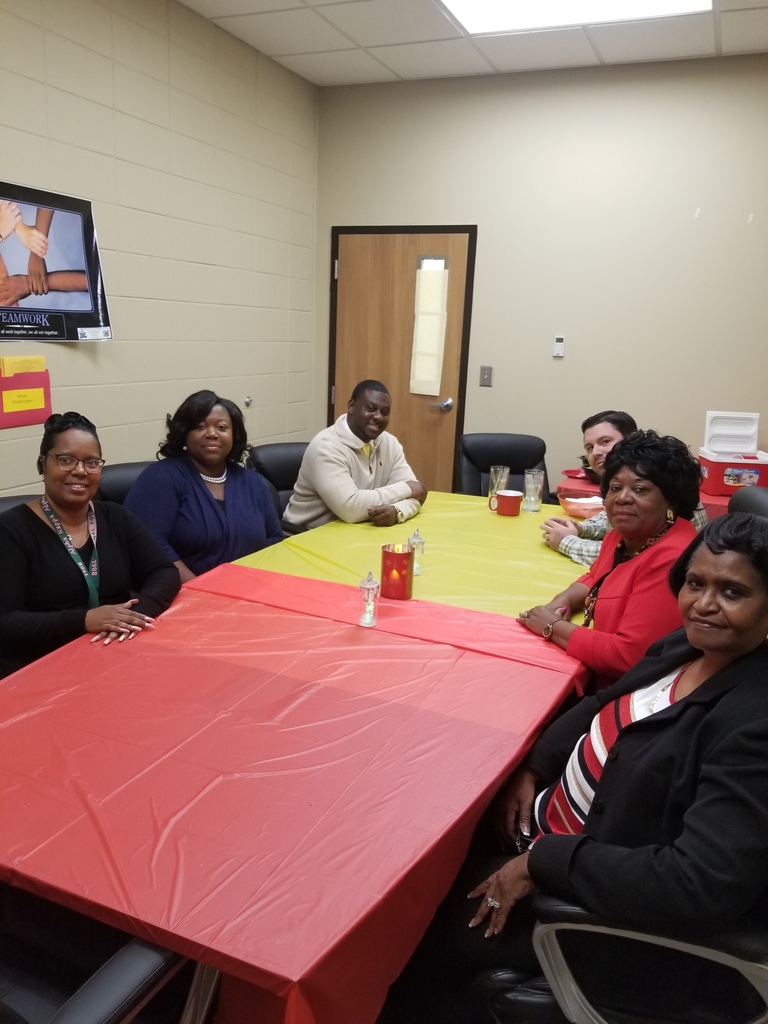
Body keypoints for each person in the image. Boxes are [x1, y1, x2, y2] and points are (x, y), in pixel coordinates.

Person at [379, 512, 768, 1024]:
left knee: (405, 928)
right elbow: (607, 700)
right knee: (409, 838)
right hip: (550, 830)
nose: (705, 604)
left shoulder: (754, 723)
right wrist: (536, 765)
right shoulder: (688, 646)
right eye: (695, 583)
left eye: (733, 593)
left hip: (606, 916)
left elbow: (696, 882)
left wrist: (547, 863)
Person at [0, 412, 181, 679]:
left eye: (92, 462)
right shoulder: (12, 529)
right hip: (44, 666)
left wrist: (134, 616)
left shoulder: (115, 516)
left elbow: (164, 572)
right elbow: (7, 622)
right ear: (42, 464)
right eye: (66, 460)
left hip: (116, 652)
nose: (80, 470)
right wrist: (86, 620)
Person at [519, 430, 701, 690]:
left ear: (670, 500)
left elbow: (627, 657)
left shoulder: (674, 557)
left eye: (640, 489)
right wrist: (563, 601)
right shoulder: (622, 536)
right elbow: (596, 577)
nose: (622, 497)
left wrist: (550, 625)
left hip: (631, 691)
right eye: (615, 487)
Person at [125, 390, 283, 581]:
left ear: (234, 435)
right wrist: (201, 591)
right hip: (181, 595)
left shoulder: (253, 483)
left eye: (222, 427)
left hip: (249, 590)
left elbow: (274, 540)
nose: (211, 434)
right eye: (200, 427)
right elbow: (152, 545)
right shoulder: (160, 478)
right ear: (184, 434)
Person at [542, 410, 708, 567]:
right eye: (589, 447)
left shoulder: (667, 483)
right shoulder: (622, 486)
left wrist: (566, 541)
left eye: (605, 442)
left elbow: (632, 554)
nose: (596, 452)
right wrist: (580, 528)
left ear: (631, 442)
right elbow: (609, 521)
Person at [282, 379, 427, 531]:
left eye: (384, 412)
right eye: (371, 409)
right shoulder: (325, 448)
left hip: (356, 532)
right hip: (307, 537)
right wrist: (406, 489)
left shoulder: (389, 443)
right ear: (351, 407)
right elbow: (350, 509)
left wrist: (397, 512)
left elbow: (417, 495)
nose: (378, 416)